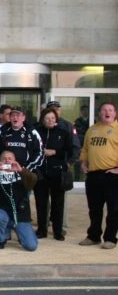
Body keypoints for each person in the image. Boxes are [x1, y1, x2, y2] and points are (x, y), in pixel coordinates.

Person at [0, 150, 38, 251]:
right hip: (2, 213)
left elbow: (33, 180)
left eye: (10, 158)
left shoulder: (20, 173)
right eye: (4, 158)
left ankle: (18, 231)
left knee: (31, 246)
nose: (7, 160)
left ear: (15, 160)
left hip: (20, 215)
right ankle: (1, 239)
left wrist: (21, 170)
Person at [78, 102, 118, 249]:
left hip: (112, 175)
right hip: (94, 175)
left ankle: (110, 238)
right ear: (99, 113)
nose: (107, 112)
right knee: (94, 209)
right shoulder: (92, 129)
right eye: (104, 110)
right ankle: (93, 236)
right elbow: (85, 149)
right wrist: (83, 163)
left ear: (115, 113)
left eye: (110, 110)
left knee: (114, 209)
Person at [33, 107, 73, 240]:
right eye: (47, 118)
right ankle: (42, 230)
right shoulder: (36, 132)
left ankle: (57, 231)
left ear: (56, 119)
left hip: (57, 172)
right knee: (41, 203)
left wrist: (54, 152)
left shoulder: (63, 132)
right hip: (40, 173)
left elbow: (69, 151)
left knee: (58, 203)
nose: (50, 121)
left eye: (52, 118)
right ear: (42, 120)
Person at [0, 106, 44, 172]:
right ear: (10, 118)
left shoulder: (31, 132)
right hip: (6, 171)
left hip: (25, 171)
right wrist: (2, 167)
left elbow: (39, 152)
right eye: (12, 115)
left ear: (23, 118)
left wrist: (26, 169)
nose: (15, 117)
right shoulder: (3, 132)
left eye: (18, 115)